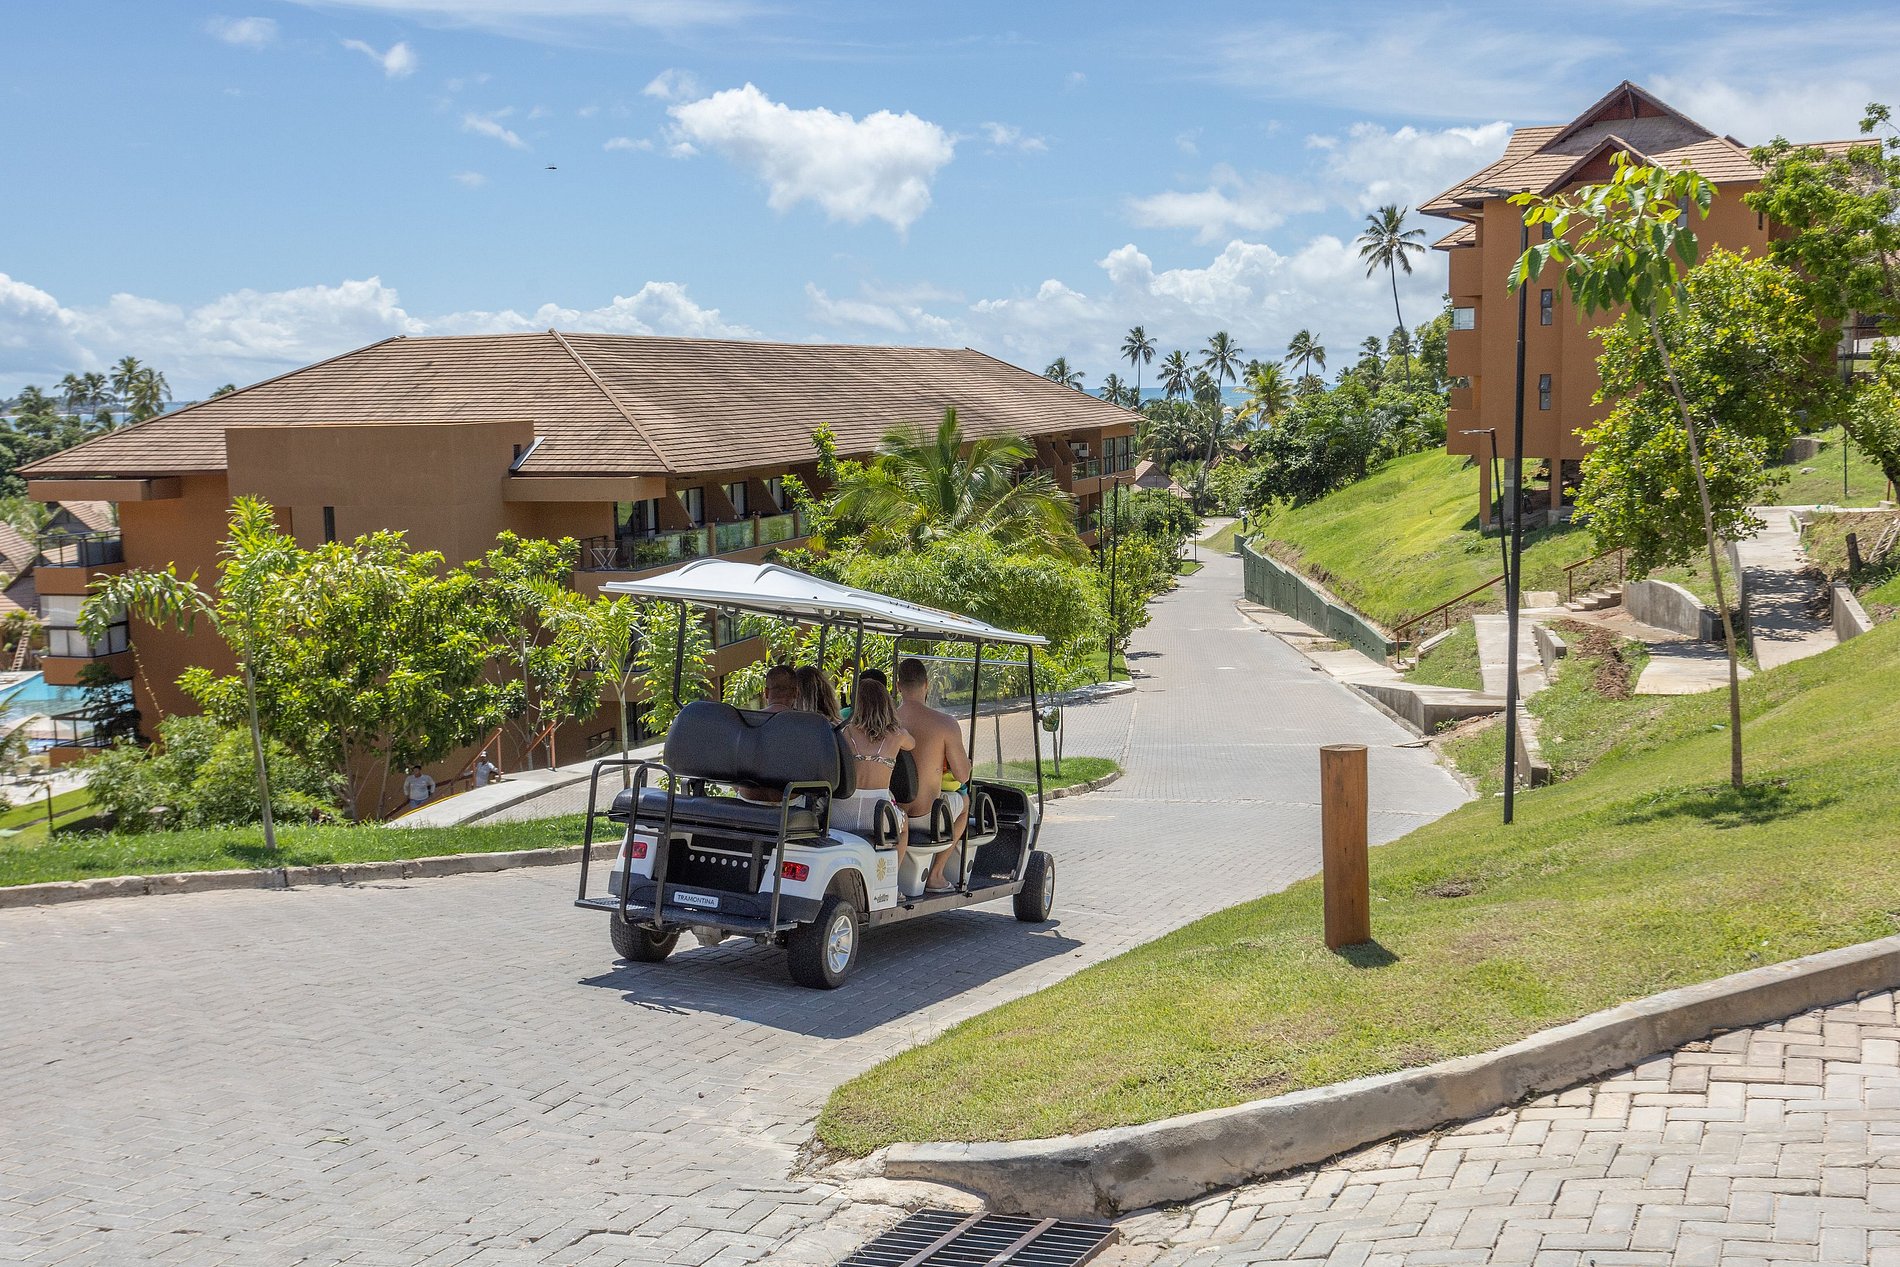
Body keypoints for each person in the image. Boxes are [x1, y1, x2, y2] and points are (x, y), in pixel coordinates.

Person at [894, 657, 972, 893]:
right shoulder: (945, 723)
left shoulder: (888, 720)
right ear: (926, 684)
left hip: (893, 812)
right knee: (965, 802)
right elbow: (962, 776)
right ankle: (936, 874)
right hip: (927, 816)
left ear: (898, 686)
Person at [835, 676, 914, 864]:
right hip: (879, 815)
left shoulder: (843, 733)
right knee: (904, 826)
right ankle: (893, 874)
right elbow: (912, 744)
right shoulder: (897, 735)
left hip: (841, 813)